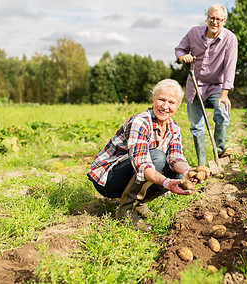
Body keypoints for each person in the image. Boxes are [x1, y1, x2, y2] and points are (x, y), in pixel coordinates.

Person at [87, 79, 206, 231]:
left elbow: (175, 157)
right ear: (153, 99)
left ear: (177, 106)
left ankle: (139, 203)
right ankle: (125, 210)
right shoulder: (140, 122)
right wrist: (166, 183)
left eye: (171, 102)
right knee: (157, 157)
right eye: (161, 99)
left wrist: (188, 171)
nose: (165, 106)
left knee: (176, 173)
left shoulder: (174, 128)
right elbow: (143, 165)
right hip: (108, 179)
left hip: (132, 173)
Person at [175, 3, 238, 166]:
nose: (214, 22)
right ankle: (202, 164)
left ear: (224, 21)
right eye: (211, 18)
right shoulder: (194, 33)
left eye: (218, 19)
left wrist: (224, 94)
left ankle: (220, 151)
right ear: (207, 18)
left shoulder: (230, 39)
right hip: (195, 85)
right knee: (196, 126)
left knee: (223, 112)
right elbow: (180, 49)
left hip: (216, 85)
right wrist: (183, 57)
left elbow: (230, 67)